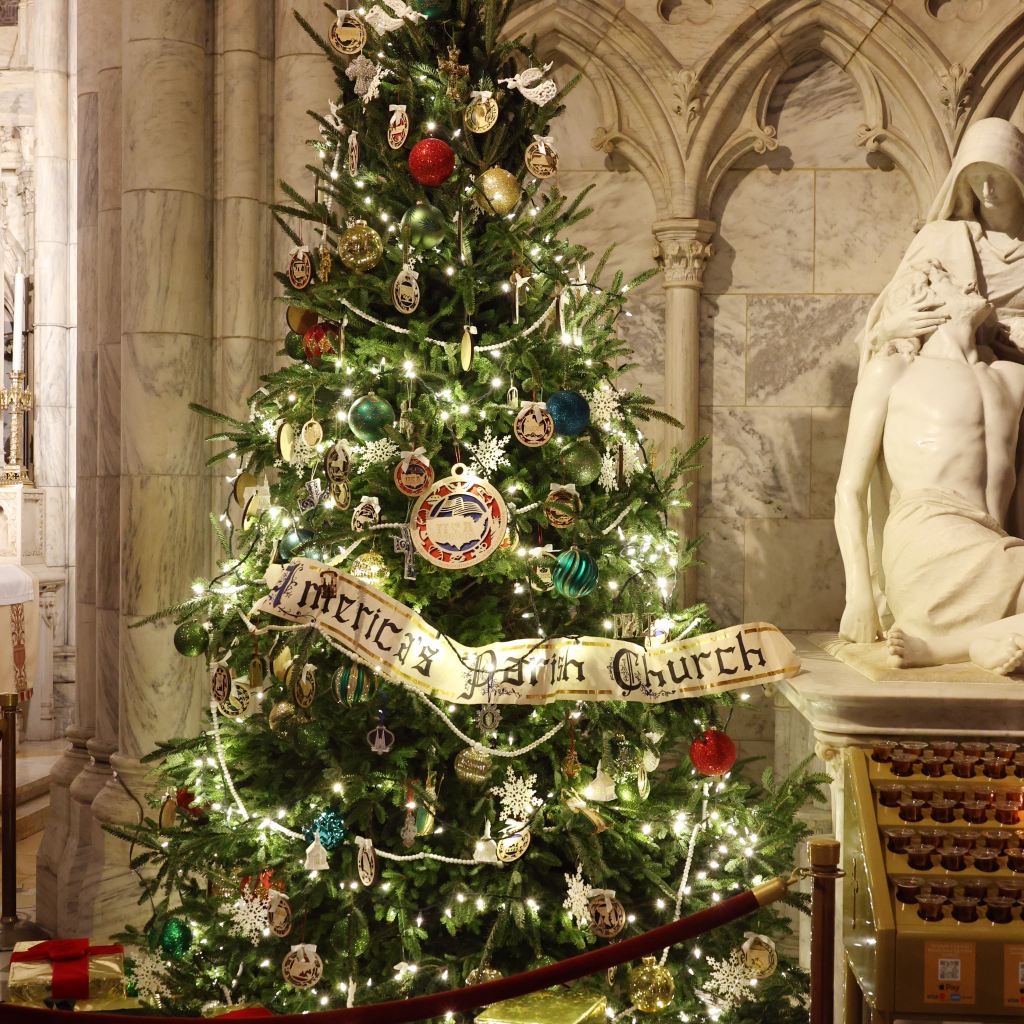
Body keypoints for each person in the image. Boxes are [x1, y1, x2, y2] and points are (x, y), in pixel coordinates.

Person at [836, 117, 1024, 673]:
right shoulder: (896, 373)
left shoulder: (1009, 379)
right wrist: (859, 594)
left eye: (998, 176)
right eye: (977, 178)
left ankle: (957, 646)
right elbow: (849, 487)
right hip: (928, 540)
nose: (988, 190)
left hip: (993, 540)